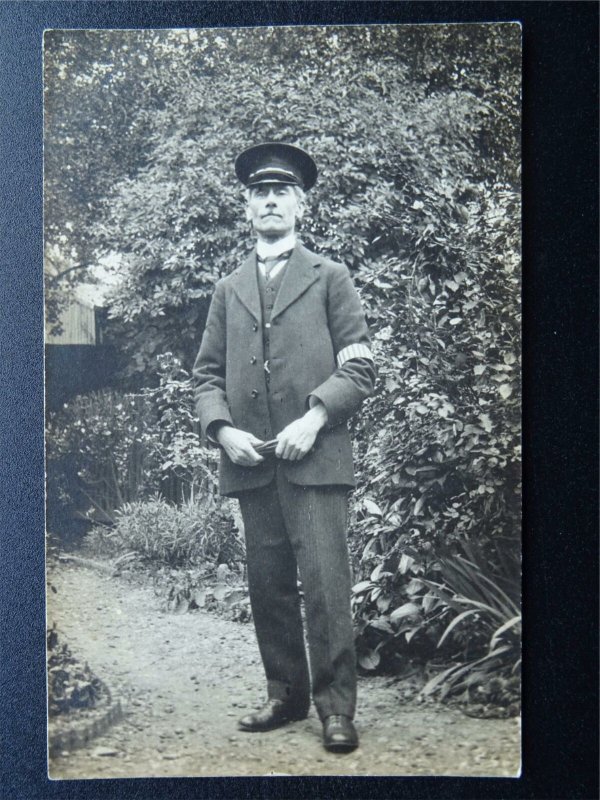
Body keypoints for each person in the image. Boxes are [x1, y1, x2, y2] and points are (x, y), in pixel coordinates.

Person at [192, 142, 376, 753]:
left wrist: (314, 418)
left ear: (300, 204)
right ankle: (285, 695)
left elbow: (360, 367)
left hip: (316, 460)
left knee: (325, 585)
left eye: (282, 193)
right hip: (251, 463)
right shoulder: (227, 289)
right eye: (259, 194)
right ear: (247, 207)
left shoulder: (331, 278)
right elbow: (206, 378)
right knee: (267, 583)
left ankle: (335, 710)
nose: (270, 201)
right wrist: (222, 430)